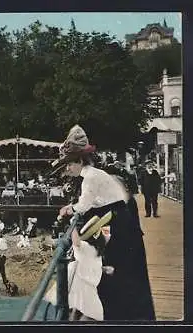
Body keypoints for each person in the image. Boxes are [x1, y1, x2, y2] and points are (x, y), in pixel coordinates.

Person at [52, 124, 155, 320]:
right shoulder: (94, 174)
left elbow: (83, 205)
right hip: (119, 221)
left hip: (118, 225)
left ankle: (115, 315)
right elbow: (94, 201)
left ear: (80, 161)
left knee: (122, 274)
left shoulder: (89, 178)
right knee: (126, 275)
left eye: (69, 164)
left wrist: (68, 209)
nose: (67, 169)